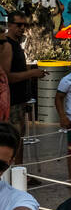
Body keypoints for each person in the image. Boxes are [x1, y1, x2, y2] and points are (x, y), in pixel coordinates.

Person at [0, 11, 45, 156]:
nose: (22, 28)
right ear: (9, 25)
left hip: (18, 100)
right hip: (11, 102)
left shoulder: (15, 44)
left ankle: (19, 174)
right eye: (19, 25)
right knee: (13, 140)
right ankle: (14, 175)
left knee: (18, 139)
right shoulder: (7, 45)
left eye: (24, 25)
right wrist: (31, 73)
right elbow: (6, 78)